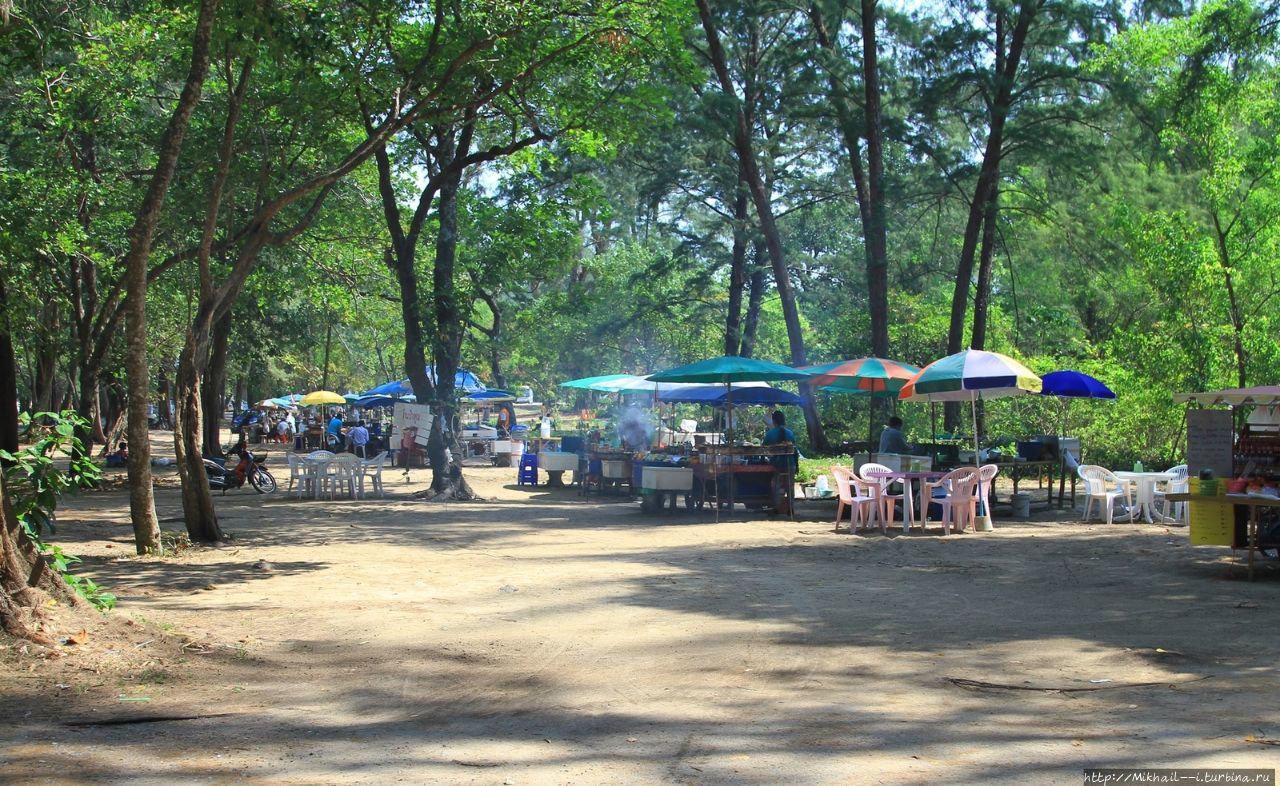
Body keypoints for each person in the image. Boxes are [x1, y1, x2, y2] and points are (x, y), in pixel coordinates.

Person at [762, 410, 798, 514]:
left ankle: (776, 507)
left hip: (776, 464)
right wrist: (797, 465)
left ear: (774, 421)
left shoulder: (770, 434)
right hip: (790, 463)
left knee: (776, 485)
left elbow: (763, 448)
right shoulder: (790, 433)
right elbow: (794, 451)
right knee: (790, 486)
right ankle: (791, 508)